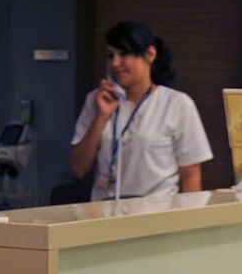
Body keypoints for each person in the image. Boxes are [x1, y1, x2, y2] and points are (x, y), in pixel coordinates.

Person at [70, 21, 213, 201]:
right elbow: (79, 168)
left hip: (157, 211)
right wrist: (102, 115)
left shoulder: (178, 104)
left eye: (124, 54)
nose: (115, 63)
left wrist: (189, 217)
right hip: (104, 211)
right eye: (111, 55)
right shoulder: (96, 100)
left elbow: (190, 175)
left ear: (150, 55)